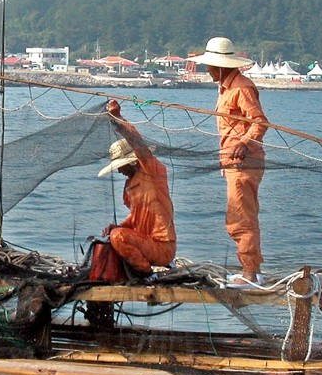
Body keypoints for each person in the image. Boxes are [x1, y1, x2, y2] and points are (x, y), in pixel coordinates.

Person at [188, 36, 269, 286]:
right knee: (243, 215)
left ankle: (249, 274)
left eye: (211, 66)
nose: (208, 70)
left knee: (240, 217)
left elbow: (259, 122)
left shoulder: (241, 87)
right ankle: (251, 270)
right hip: (233, 163)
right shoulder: (226, 87)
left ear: (222, 66)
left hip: (245, 163)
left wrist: (244, 143)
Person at [97, 99, 177, 276]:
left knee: (118, 237)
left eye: (121, 165)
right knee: (115, 234)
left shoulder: (152, 172)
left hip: (162, 246)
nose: (118, 170)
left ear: (132, 162)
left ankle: (147, 274)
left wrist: (118, 119)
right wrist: (118, 225)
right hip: (145, 242)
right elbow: (137, 217)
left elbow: (138, 144)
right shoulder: (130, 185)